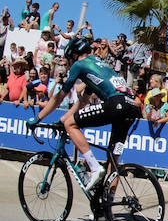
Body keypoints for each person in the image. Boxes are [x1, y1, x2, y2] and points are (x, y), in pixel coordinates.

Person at [24, 36, 141, 190]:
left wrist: (38, 118)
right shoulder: (98, 64)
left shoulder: (79, 65)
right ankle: (108, 203)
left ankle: (94, 167)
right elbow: (83, 101)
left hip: (116, 103)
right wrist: (63, 119)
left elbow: (59, 97)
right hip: (131, 106)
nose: (69, 63)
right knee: (113, 162)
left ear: (74, 55)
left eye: (69, 59)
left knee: (70, 124)